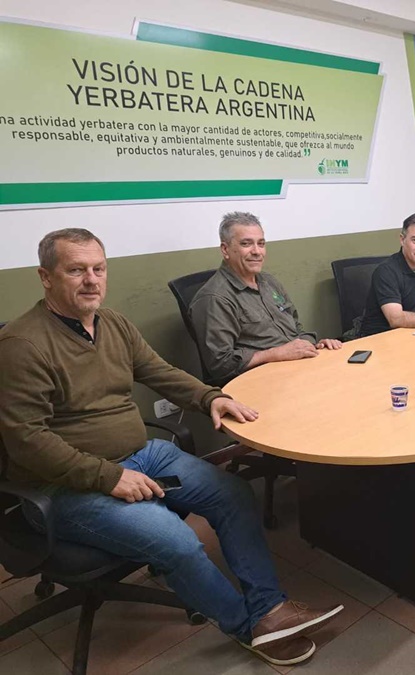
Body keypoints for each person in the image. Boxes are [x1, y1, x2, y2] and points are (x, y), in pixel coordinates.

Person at [0, 228, 343, 666]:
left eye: (98, 269)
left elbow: (160, 372)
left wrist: (211, 397)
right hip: (65, 485)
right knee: (177, 540)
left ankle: (270, 608)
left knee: (234, 494)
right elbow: (28, 442)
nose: (91, 280)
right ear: (45, 277)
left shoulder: (114, 324)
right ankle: (250, 628)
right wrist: (110, 477)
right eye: (76, 270)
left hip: (141, 455)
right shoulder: (23, 345)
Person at [190, 212, 342, 385]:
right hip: (262, 381)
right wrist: (275, 354)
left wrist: (313, 345)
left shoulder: (268, 281)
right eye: (246, 244)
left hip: (298, 368)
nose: (256, 252)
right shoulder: (214, 298)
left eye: (261, 244)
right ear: (225, 250)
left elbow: (296, 327)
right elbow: (220, 364)